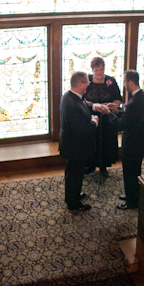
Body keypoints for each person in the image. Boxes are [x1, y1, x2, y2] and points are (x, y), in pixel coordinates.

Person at [101, 70, 144, 210]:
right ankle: (132, 195)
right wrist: (117, 110)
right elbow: (131, 115)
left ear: (130, 82)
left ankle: (132, 201)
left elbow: (122, 124)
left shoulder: (134, 101)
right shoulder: (143, 97)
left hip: (132, 143)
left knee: (130, 172)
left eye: (124, 82)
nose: (124, 85)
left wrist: (108, 113)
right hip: (140, 139)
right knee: (134, 171)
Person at [58, 71, 98, 212]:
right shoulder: (72, 106)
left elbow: (83, 106)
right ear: (81, 84)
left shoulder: (69, 96)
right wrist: (94, 122)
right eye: (87, 82)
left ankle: (72, 195)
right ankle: (73, 204)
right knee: (75, 174)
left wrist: (93, 107)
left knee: (73, 172)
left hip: (71, 144)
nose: (88, 84)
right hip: (75, 147)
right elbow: (83, 131)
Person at [83, 56, 122, 177]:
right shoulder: (87, 80)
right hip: (91, 116)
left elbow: (118, 99)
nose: (99, 72)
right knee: (91, 141)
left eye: (101, 69)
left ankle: (104, 166)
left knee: (106, 142)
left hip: (107, 117)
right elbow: (82, 99)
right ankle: (90, 165)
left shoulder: (110, 81)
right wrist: (93, 105)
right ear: (92, 70)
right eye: (96, 70)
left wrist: (111, 105)